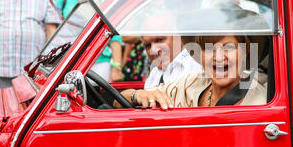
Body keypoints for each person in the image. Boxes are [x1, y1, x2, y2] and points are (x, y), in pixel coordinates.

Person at [114, 34, 266, 109]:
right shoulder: (189, 85)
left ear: (245, 52)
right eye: (208, 48)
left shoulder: (261, 102)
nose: (218, 57)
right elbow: (118, 101)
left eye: (229, 47)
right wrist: (138, 95)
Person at [139, 11, 203, 89]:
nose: (153, 50)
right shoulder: (155, 73)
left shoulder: (196, 65)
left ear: (178, 36)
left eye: (159, 40)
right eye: (147, 45)